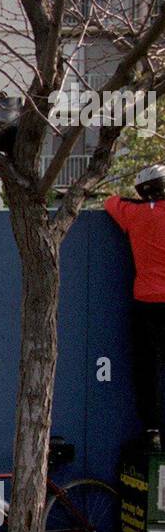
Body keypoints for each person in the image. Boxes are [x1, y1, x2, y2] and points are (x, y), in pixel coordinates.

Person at [105, 164, 165, 450]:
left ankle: (152, 429)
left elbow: (110, 201)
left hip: (146, 301)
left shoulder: (134, 213)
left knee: (146, 369)